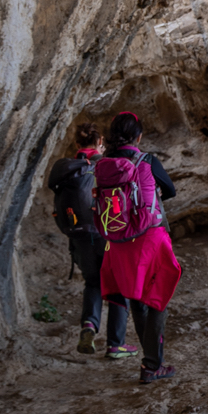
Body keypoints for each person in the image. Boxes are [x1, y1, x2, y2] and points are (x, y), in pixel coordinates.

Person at [94, 111, 182, 382]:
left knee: (137, 296)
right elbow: (170, 190)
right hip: (150, 237)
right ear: (138, 136)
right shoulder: (147, 160)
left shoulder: (104, 164)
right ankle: (152, 364)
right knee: (157, 297)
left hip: (119, 241)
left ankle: (150, 363)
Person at [47, 122, 111, 355]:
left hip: (78, 234)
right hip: (105, 233)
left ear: (76, 144)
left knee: (92, 282)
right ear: (100, 141)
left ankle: (89, 326)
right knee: (114, 284)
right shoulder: (104, 165)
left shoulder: (65, 168)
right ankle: (116, 341)